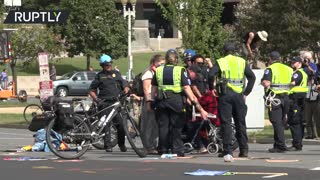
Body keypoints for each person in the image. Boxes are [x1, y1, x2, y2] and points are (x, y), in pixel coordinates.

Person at [150, 49, 208, 157]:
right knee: (176, 126)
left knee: (163, 126)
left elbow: (153, 89)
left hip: (162, 101)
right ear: (176, 59)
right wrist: (199, 107)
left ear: (166, 59)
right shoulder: (180, 70)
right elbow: (186, 88)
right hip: (176, 101)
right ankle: (177, 149)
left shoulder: (159, 70)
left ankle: (163, 148)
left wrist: (152, 102)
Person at [208, 42, 256, 162]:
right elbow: (252, 77)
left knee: (226, 123)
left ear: (224, 51)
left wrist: (212, 88)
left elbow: (211, 74)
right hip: (239, 95)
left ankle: (228, 151)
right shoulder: (241, 61)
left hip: (225, 94)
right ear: (234, 51)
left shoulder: (222, 61)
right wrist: (246, 92)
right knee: (241, 122)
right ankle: (244, 150)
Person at [89, 54, 129, 152]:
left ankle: (121, 144)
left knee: (121, 125)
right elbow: (91, 90)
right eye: (106, 65)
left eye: (110, 64)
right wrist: (96, 99)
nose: (109, 66)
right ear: (102, 65)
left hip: (116, 103)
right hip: (104, 103)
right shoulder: (99, 76)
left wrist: (126, 89)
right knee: (106, 125)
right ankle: (108, 146)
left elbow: (124, 84)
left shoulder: (117, 74)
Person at [261, 51, 293, 153]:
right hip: (286, 97)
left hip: (275, 98)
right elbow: (292, 83)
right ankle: (277, 144)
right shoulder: (288, 69)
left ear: (270, 59)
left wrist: (262, 82)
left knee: (276, 122)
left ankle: (281, 145)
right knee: (281, 121)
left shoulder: (270, 69)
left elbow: (266, 83)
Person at [140, 54, 165, 154]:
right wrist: (148, 103)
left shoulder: (158, 72)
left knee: (155, 125)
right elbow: (146, 89)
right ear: (155, 63)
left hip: (157, 100)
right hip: (149, 100)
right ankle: (148, 146)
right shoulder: (148, 73)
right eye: (161, 63)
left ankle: (154, 145)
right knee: (149, 124)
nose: (162, 65)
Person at [287, 56, 308, 151]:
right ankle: (298, 143)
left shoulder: (298, 73)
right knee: (299, 121)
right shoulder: (303, 72)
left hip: (295, 98)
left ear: (299, 63)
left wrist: (285, 84)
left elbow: (293, 83)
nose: (292, 63)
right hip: (301, 98)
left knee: (294, 121)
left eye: (294, 62)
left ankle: (296, 144)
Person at [302, 51, 319, 139]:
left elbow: (314, 72)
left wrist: (308, 65)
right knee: (307, 115)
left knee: (315, 115)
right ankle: (309, 134)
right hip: (305, 91)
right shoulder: (301, 66)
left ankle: (316, 134)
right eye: (304, 57)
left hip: (313, 90)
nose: (305, 59)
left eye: (307, 57)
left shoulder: (313, 65)